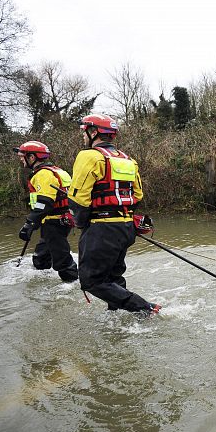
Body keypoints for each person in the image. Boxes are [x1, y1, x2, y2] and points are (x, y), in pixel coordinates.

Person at [68, 114, 160, 314]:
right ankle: (116, 317)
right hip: (125, 228)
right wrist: (124, 219)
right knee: (113, 277)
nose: (83, 136)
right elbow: (137, 195)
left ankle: (144, 309)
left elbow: (78, 198)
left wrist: (82, 224)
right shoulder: (128, 160)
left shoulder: (89, 156)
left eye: (85, 132)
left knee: (91, 281)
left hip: (102, 229)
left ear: (94, 132)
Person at [14, 140, 79, 282]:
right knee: (41, 257)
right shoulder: (57, 171)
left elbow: (45, 202)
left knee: (62, 260)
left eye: (22, 156)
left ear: (32, 157)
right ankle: (43, 279)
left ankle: (73, 283)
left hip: (54, 221)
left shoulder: (43, 174)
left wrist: (29, 224)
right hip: (60, 220)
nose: (21, 159)